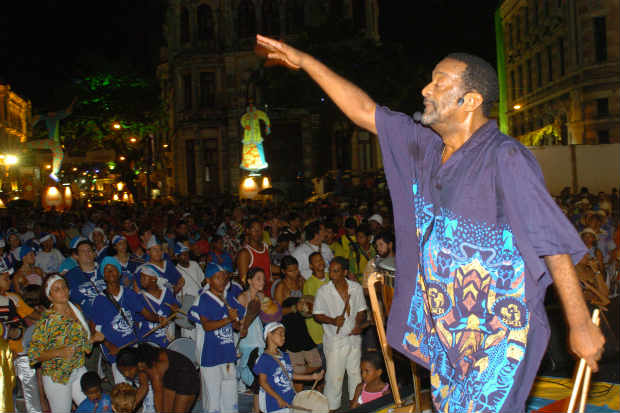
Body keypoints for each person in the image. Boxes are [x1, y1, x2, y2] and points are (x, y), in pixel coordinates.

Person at [255, 34, 605, 412]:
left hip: (499, 339)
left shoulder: (505, 157)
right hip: (445, 338)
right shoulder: (424, 146)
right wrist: (306, 62)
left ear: (470, 101)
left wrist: (580, 323)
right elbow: (363, 110)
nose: (426, 88)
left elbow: (550, 241)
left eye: (440, 82)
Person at [28, 275, 104, 413]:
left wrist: (93, 339)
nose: (62, 291)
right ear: (50, 296)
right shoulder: (48, 320)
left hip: (77, 368)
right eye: (57, 289)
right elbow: (33, 355)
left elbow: (82, 346)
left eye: (64, 287)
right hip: (57, 376)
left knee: (93, 408)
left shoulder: (75, 309)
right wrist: (58, 352)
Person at [90, 257, 161, 384]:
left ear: (119, 272)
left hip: (134, 347)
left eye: (113, 269)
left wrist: (160, 319)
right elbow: (94, 330)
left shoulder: (129, 294)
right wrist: (109, 345)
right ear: (103, 275)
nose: (110, 272)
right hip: (117, 354)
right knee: (124, 390)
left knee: (144, 385)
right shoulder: (99, 300)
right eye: (106, 270)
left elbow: (147, 315)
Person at [312, 257, 367, 411]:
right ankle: (332, 409)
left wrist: (358, 324)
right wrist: (332, 320)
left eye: (336, 271)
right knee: (334, 380)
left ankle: (355, 406)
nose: (331, 274)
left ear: (345, 272)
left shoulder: (355, 288)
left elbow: (362, 310)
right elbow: (317, 314)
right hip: (335, 340)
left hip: (354, 339)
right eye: (331, 270)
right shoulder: (324, 291)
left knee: (356, 375)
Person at [190, 261, 244, 413]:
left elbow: (235, 323)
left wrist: (239, 326)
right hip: (210, 355)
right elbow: (207, 326)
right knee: (213, 398)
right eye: (217, 277)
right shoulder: (203, 299)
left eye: (224, 277)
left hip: (227, 353)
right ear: (208, 280)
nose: (222, 280)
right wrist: (229, 318)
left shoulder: (228, 298)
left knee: (230, 395)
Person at [274, 256, 321, 392]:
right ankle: (297, 398)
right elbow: (277, 313)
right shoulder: (281, 287)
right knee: (298, 367)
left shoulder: (301, 281)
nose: (295, 273)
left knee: (316, 363)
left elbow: (309, 300)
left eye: (296, 270)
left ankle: (294, 378)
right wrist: (295, 308)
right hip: (289, 331)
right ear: (283, 271)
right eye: (291, 271)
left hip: (302, 328)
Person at [116, 343, 200, 413]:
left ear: (136, 364)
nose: (126, 375)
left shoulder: (152, 368)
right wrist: (129, 408)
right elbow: (143, 387)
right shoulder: (140, 362)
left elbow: (158, 395)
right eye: (122, 372)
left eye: (128, 370)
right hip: (170, 377)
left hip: (186, 375)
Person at [135, 265, 180, 349]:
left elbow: (175, 309)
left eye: (144, 277)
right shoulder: (139, 297)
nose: (140, 280)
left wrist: (174, 309)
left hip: (167, 338)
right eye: (140, 277)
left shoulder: (167, 292)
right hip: (149, 342)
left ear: (154, 279)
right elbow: (136, 322)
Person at [64, 238, 107, 318]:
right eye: (83, 251)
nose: (87, 253)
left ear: (94, 254)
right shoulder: (71, 276)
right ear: (76, 256)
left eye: (89, 250)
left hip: (111, 312)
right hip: (88, 319)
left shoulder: (105, 269)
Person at [302, 252, 329, 353]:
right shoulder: (309, 284)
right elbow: (308, 308)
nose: (320, 262)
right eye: (316, 261)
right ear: (311, 266)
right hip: (318, 330)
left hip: (333, 329)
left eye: (321, 259)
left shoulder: (331, 277)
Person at [238, 219, 274, 293]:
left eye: (259, 229)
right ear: (248, 231)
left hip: (268, 289)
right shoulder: (245, 253)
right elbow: (243, 280)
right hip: (256, 292)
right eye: (254, 229)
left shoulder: (265, 246)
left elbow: (268, 267)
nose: (257, 232)